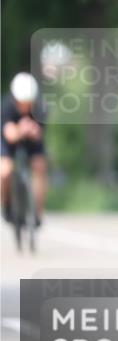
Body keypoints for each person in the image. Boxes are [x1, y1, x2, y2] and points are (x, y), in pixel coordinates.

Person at [1, 73, 47, 228]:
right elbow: (9, 134)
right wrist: (21, 130)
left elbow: (39, 132)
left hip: (32, 142)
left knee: (39, 167)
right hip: (10, 142)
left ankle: (37, 214)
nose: (25, 106)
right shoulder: (6, 106)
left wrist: (33, 130)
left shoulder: (40, 107)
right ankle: (6, 204)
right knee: (5, 171)